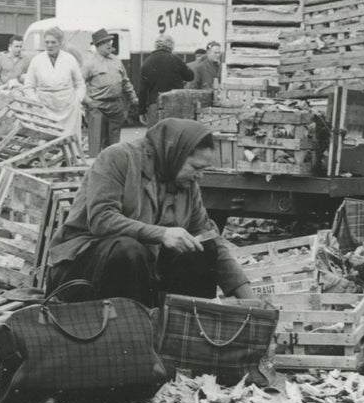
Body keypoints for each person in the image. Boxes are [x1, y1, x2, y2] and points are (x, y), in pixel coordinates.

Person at [45, 118, 260, 308]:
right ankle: (128, 335)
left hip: (139, 277)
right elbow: (102, 219)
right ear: (176, 154)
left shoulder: (186, 185)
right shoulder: (118, 158)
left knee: (202, 249)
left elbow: (209, 237)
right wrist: (162, 234)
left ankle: (182, 333)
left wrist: (250, 301)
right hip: (82, 271)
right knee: (128, 249)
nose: (200, 176)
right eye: (196, 167)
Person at [22, 25, 85, 139]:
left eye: (53, 42)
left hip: (68, 109)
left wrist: (77, 100)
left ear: (60, 43)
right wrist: (36, 102)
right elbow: (28, 86)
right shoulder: (37, 61)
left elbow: (80, 84)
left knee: (69, 140)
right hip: (45, 107)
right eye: (47, 42)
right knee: (47, 141)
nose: (50, 45)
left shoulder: (70, 59)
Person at [81, 28, 136, 156]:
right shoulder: (90, 63)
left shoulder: (116, 60)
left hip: (115, 107)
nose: (109, 44)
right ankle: (93, 169)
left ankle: (111, 171)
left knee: (114, 146)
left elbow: (125, 81)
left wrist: (133, 97)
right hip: (97, 107)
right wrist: (88, 101)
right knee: (96, 144)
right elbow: (78, 84)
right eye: (105, 42)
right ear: (97, 46)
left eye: (110, 41)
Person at [137, 34, 194, 125]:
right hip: (175, 104)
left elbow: (142, 91)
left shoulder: (146, 63)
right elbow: (190, 76)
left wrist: (141, 112)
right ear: (171, 46)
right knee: (174, 136)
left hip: (155, 105)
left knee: (155, 136)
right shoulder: (176, 59)